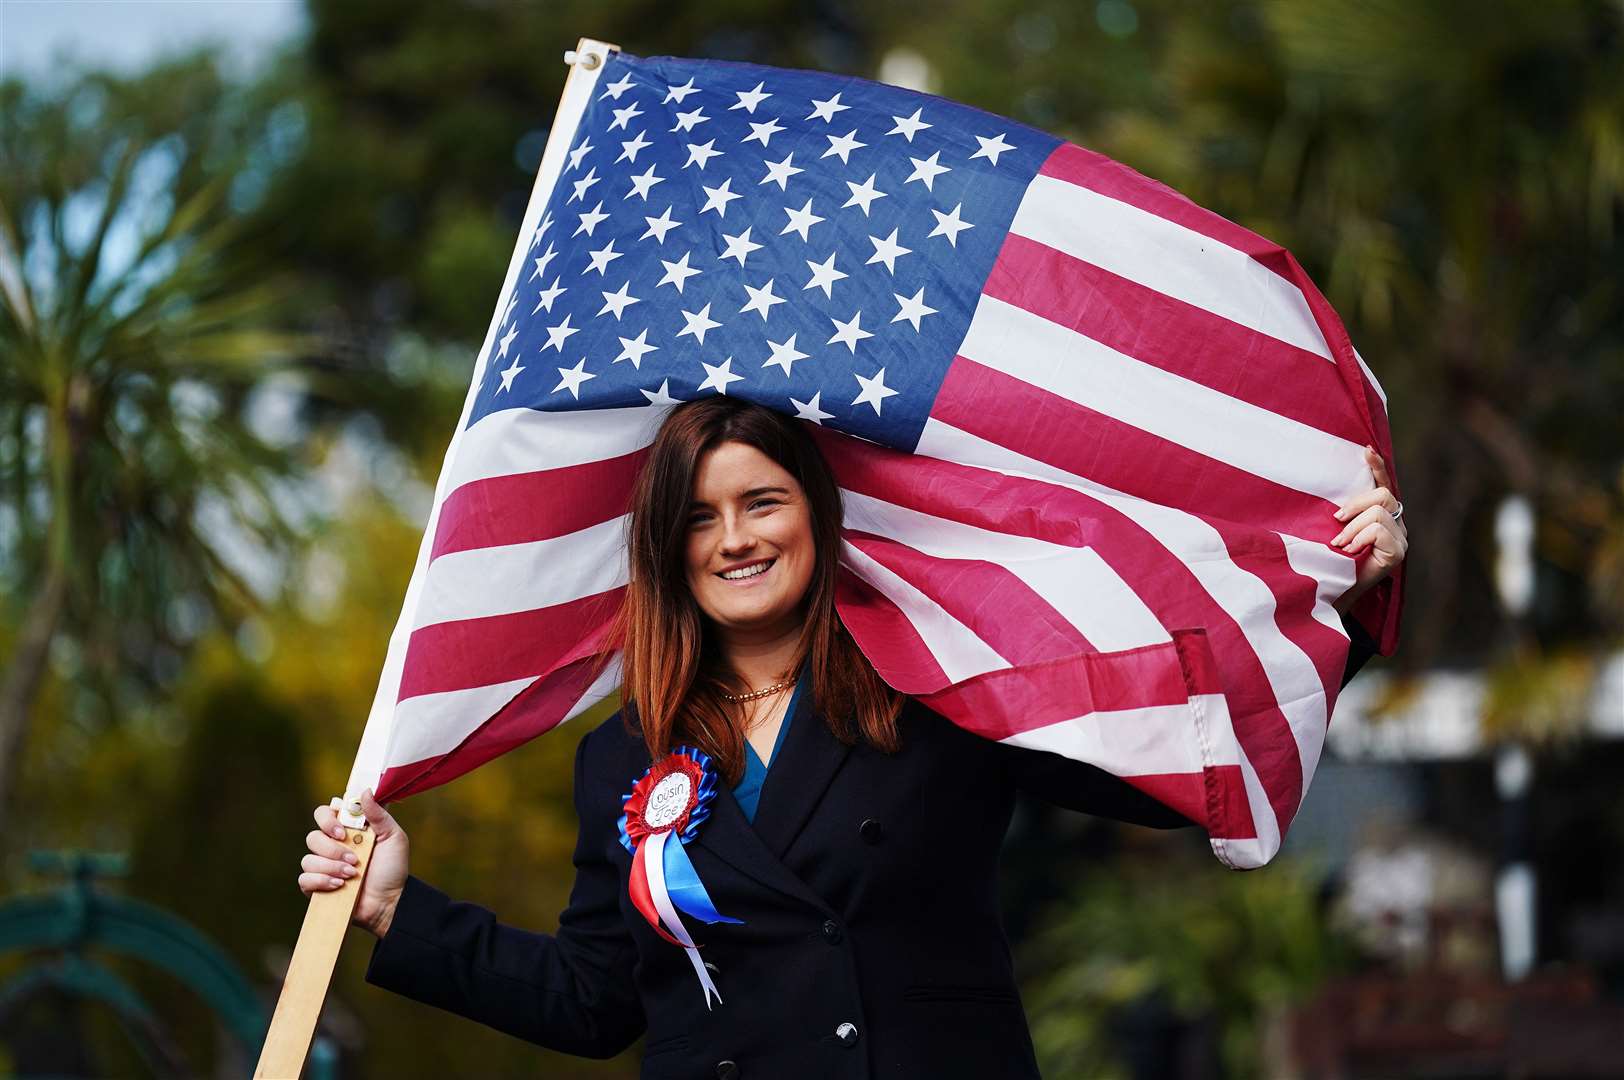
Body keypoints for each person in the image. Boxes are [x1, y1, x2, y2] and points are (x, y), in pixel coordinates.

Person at [298, 398, 1407, 1078]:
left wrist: (1337, 612)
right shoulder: (617, 758)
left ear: (816, 520)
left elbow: (1161, 760)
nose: (733, 539)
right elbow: (594, 1006)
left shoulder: (936, 686)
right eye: (698, 516)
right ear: (665, 547)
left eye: (762, 503)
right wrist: (398, 906)